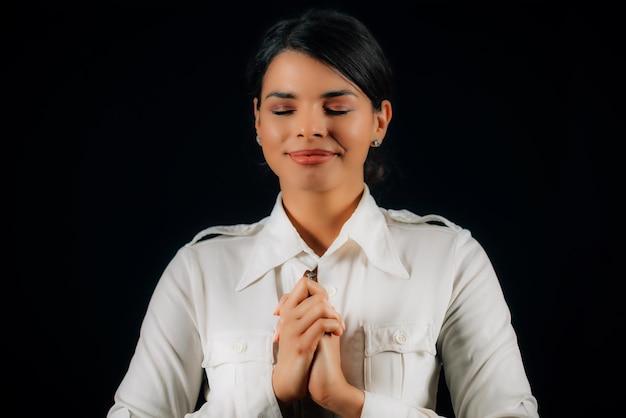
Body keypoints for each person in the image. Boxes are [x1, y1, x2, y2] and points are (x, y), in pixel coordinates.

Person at [106, 8, 539, 418]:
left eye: (336, 108)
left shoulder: (451, 260)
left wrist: (351, 402)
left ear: (379, 121)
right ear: (258, 121)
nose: (310, 127)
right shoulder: (199, 271)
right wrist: (271, 394)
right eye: (283, 109)